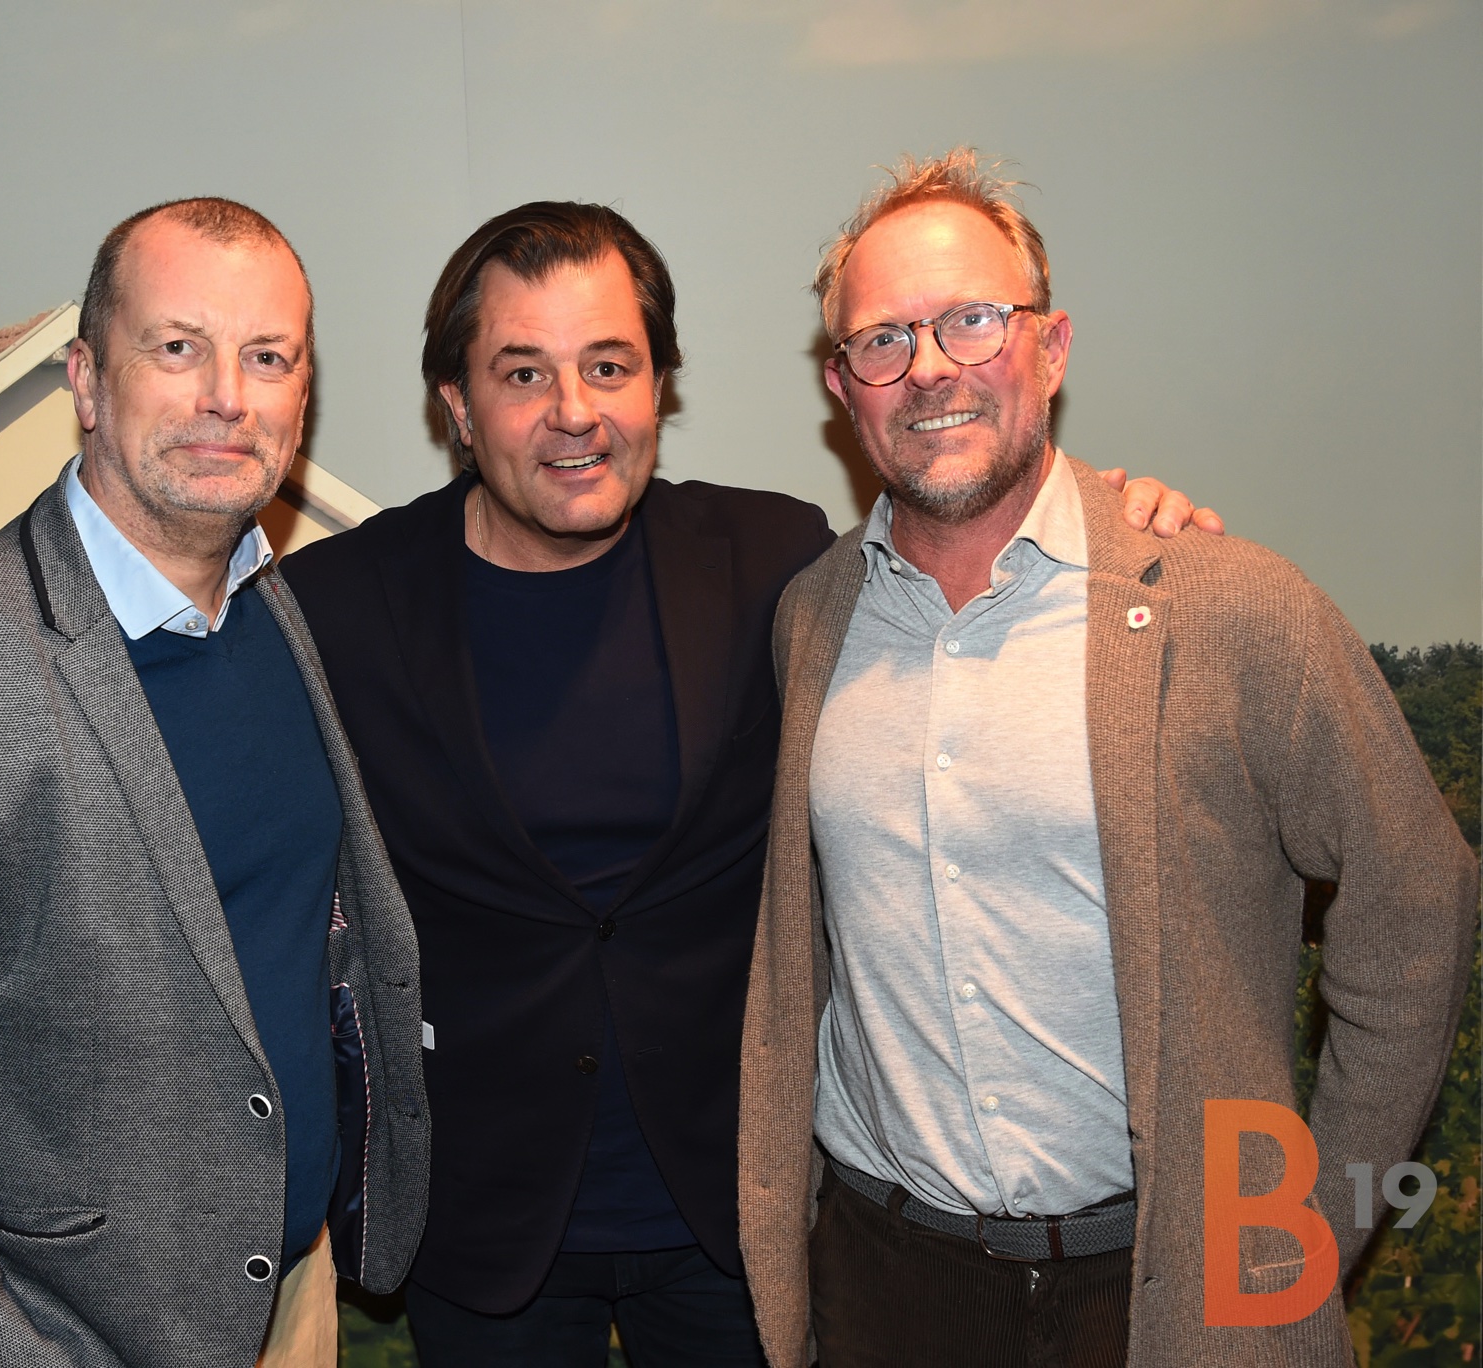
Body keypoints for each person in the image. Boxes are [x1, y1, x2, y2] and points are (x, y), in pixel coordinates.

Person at [279, 200, 1206, 1366]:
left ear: (658, 385)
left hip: (739, 1214)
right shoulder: (337, 606)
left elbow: (967, 556)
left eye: (608, 365)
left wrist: (1112, 520)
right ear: (458, 408)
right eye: (522, 374)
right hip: (483, 1223)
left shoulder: (776, 561)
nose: (574, 411)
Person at [736, 150, 1478, 1368]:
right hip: (881, 1283)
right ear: (841, 387)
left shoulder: (1231, 608)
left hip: (1165, 1289)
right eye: (883, 341)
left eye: (972, 321)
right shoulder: (811, 621)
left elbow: (1416, 901)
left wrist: (1299, 1235)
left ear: (1051, 347)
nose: (930, 368)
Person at [0, 197, 428, 1368]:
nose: (227, 395)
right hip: (60, 1334)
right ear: (85, 379)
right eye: (177, 347)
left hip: (294, 1302)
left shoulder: (277, 616)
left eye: (267, 357)